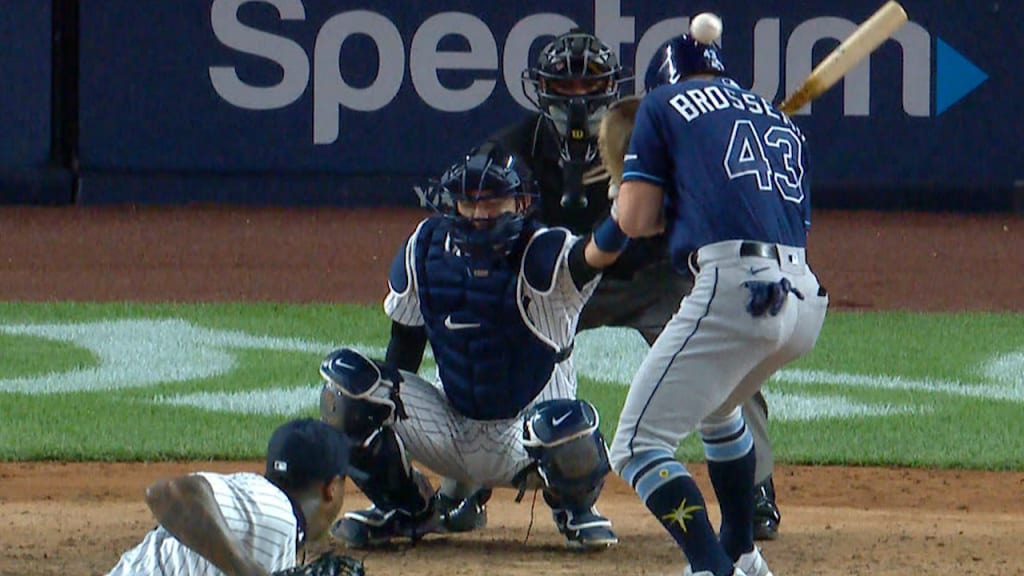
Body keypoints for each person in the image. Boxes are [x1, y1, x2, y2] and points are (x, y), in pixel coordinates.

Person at [494, 28, 783, 539]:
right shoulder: (517, 146)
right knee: (492, 341)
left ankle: (755, 491)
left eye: (590, 85)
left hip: (654, 280)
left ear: (613, 86)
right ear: (541, 89)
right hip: (561, 284)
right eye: (565, 87)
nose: (578, 99)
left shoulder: (653, 129)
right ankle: (462, 489)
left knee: (726, 360)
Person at [593, 14, 829, 576]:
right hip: (802, 298)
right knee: (720, 411)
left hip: (735, 288)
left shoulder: (662, 107)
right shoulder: (778, 119)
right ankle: (742, 554)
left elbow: (637, 221)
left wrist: (629, 202)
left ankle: (708, 567)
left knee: (636, 447)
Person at [321, 142, 626, 551]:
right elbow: (404, 346)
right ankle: (407, 508)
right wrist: (390, 421)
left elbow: (592, 255)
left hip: (527, 442)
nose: (480, 214)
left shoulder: (544, 252)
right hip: (452, 428)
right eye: (470, 202)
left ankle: (573, 508)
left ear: (520, 202)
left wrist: (625, 214)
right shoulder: (425, 247)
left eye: (493, 201)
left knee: (566, 425)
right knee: (347, 387)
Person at [105, 418, 352, 576]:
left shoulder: (271, 514)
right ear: (332, 487)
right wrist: (245, 567)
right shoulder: (275, 510)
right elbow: (168, 492)